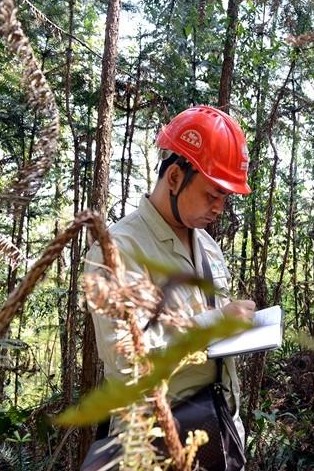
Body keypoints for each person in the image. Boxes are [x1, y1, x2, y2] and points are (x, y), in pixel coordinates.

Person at [84, 105, 256, 464]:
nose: (220, 208)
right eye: (212, 194)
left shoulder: (208, 246)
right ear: (175, 177)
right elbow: (125, 359)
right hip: (154, 441)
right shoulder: (117, 250)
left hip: (218, 426)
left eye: (226, 197)